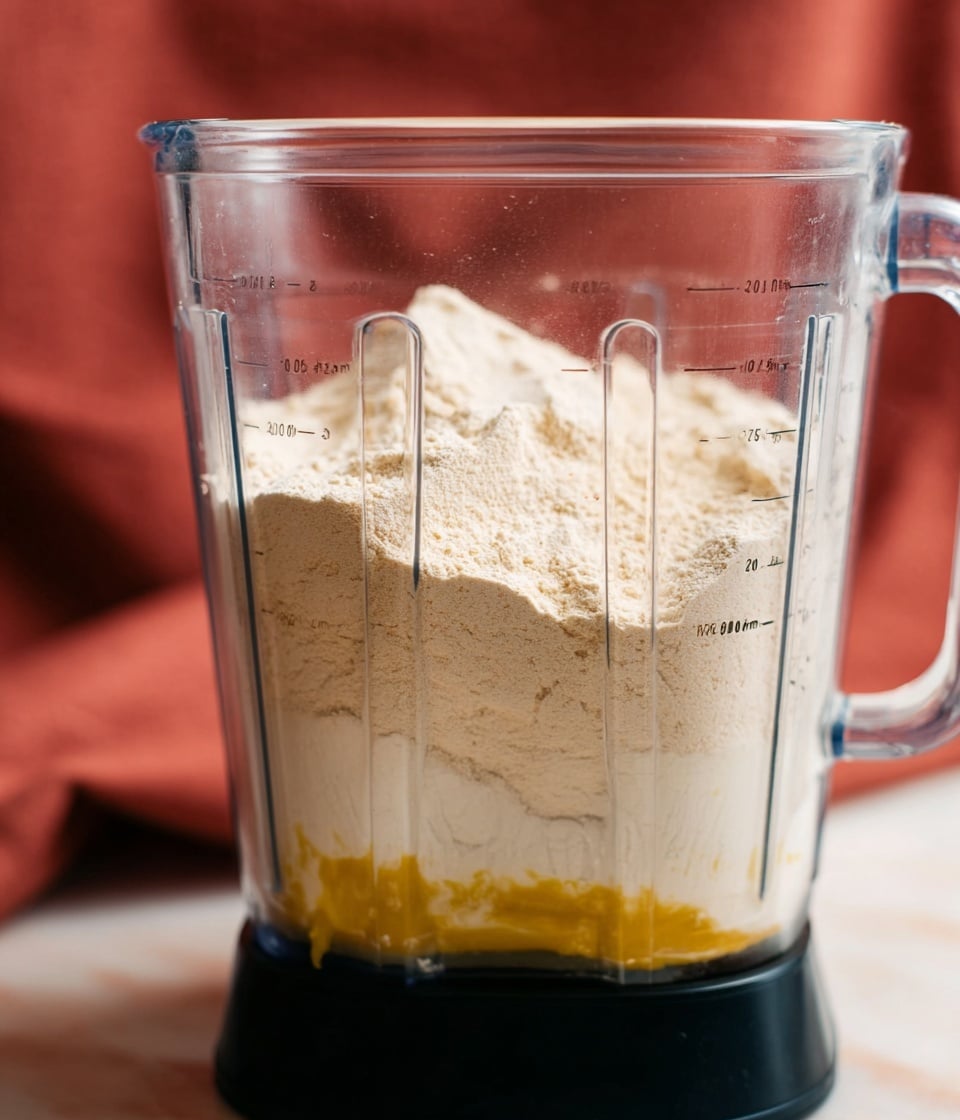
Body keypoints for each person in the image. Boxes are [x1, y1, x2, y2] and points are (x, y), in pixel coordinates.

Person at [2, 0, 959, 918]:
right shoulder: (304, 448)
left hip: (707, 899)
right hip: (346, 907)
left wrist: (886, 714)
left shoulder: (729, 433)